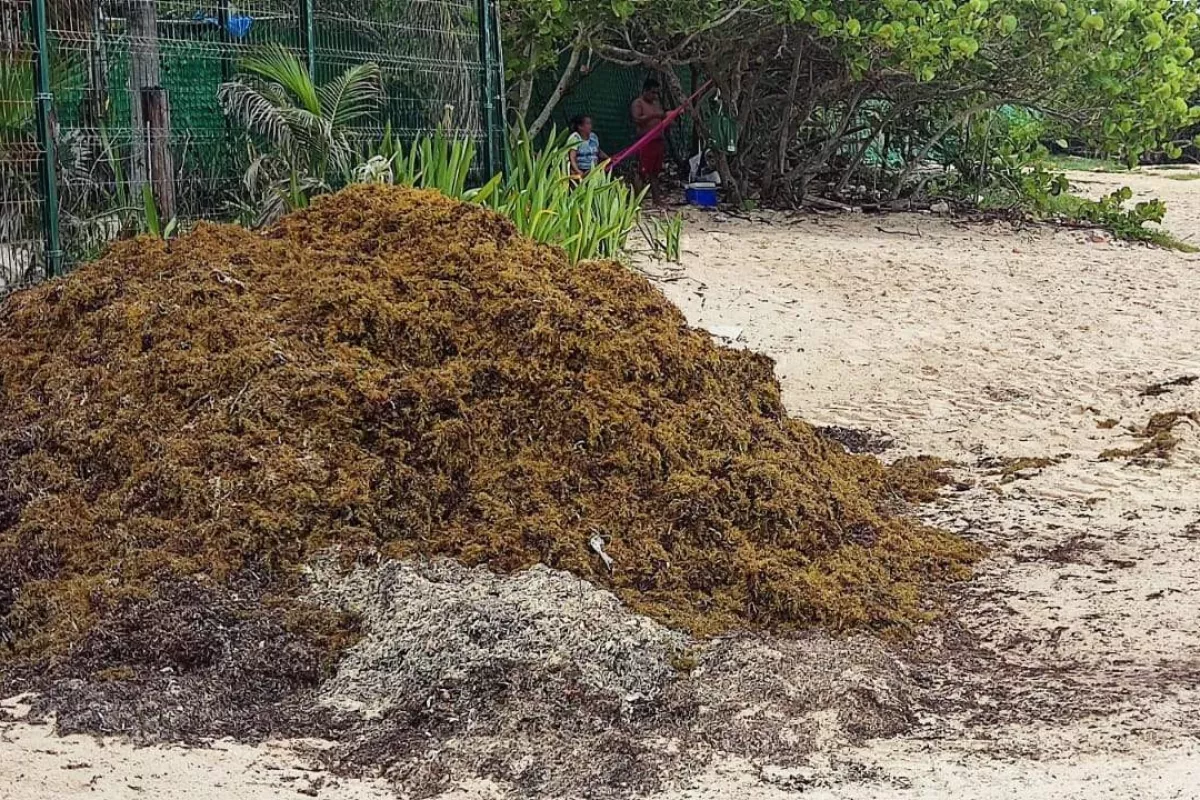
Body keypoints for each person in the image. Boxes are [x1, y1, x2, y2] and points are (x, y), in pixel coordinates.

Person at [630, 77, 667, 204]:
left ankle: (657, 200)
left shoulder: (656, 103)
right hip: (645, 141)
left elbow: (663, 118)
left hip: (658, 141)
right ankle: (636, 201)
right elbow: (637, 119)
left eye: (656, 93)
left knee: (655, 172)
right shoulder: (638, 103)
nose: (655, 95)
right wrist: (655, 115)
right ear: (645, 91)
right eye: (652, 92)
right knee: (642, 171)